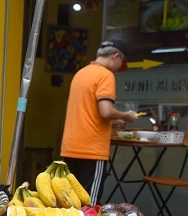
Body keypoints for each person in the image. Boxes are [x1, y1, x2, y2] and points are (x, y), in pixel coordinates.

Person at [59, 39, 139, 205]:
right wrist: (126, 116)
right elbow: (106, 111)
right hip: (91, 150)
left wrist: (114, 122)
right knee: (89, 206)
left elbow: (88, 112)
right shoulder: (105, 75)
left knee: (70, 204)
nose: (119, 69)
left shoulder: (81, 74)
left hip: (71, 147)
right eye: (121, 64)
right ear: (116, 57)